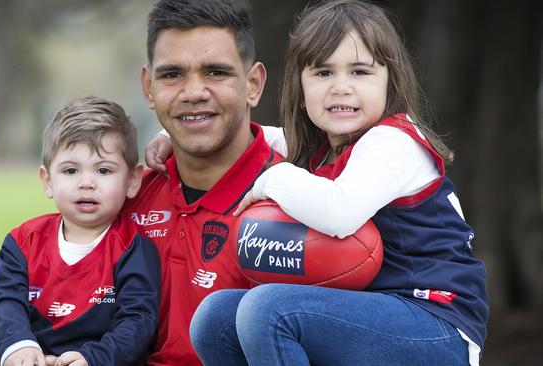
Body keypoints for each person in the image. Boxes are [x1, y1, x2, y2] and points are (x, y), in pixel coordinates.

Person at [182, 0, 490, 365]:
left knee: (268, 309)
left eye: (359, 72)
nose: (341, 87)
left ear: (390, 82)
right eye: (323, 73)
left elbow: (339, 213)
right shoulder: (318, 148)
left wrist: (273, 177)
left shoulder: (394, 143)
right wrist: (175, 143)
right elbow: (245, 139)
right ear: (300, 87)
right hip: (369, 312)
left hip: (435, 323)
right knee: (215, 316)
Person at [122, 0, 282, 365]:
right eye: (172, 74)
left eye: (215, 72)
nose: (193, 91)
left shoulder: (299, 205)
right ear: (149, 87)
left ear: (253, 84)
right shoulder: (125, 201)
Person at [0, 96, 161, 366]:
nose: (87, 183)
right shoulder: (22, 242)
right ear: (47, 181)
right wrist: (19, 346)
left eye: (103, 170)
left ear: (132, 180)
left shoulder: (134, 248)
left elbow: (137, 322)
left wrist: (93, 359)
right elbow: (4, 301)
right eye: (70, 170)